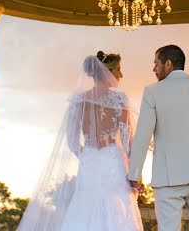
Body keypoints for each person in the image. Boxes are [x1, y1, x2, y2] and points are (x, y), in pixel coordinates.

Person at [17, 51, 142, 230]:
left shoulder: (78, 100)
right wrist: (136, 175)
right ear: (107, 72)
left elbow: (72, 140)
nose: (120, 75)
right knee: (117, 208)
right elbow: (128, 140)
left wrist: (87, 155)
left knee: (85, 205)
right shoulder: (119, 99)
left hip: (89, 161)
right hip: (113, 160)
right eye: (117, 70)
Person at [128, 45, 189, 231]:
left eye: (156, 64)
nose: (154, 69)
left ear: (168, 64)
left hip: (168, 178)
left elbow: (142, 136)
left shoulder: (153, 92)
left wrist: (134, 173)